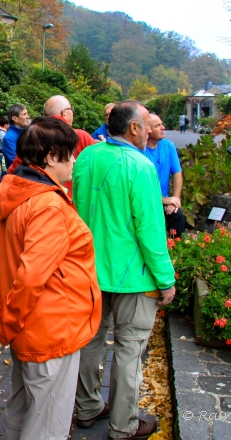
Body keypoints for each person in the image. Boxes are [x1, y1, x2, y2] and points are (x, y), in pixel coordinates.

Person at [0, 117, 101, 440]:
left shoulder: (15, 188)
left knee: (23, 405)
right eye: (69, 154)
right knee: (48, 421)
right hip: (52, 331)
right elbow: (31, 278)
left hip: (30, 329)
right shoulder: (48, 204)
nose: (74, 160)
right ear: (50, 157)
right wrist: (3, 325)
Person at [72, 101, 176, 440]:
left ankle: (86, 407)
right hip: (133, 277)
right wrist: (166, 279)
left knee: (90, 342)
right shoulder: (141, 166)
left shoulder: (87, 157)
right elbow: (150, 230)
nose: (150, 131)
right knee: (130, 348)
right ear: (133, 128)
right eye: (146, 124)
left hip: (89, 271)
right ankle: (123, 424)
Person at [145, 114, 185, 236]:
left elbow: (177, 173)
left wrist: (175, 200)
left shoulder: (168, 146)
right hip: (146, 202)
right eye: (158, 126)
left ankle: (177, 250)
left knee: (178, 216)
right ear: (148, 130)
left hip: (164, 201)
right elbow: (142, 187)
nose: (163, 128)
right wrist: (164, 200)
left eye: (162, 124)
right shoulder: (139, 151)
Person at [0, 104, 30, 169]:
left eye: (27, 114)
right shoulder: (9, 138)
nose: (28, 116)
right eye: (24, 114)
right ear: (15, 119)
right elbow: (16, 162)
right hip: (18, 175)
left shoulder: (27, 133)